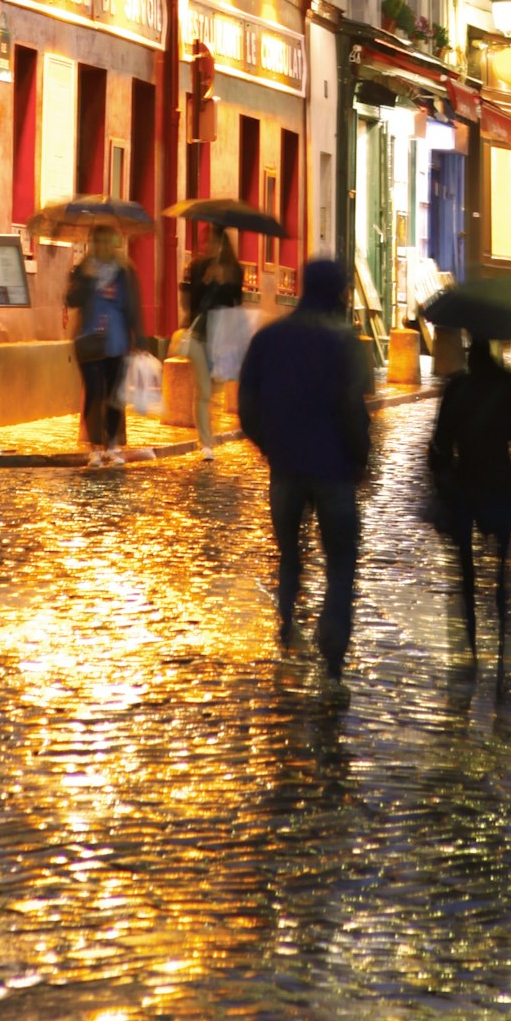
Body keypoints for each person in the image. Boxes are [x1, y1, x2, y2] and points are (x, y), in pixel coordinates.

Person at [238, 256, 373, 682]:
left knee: (290, 553)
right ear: (336, 293)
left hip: (287, 469)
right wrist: (360, 458)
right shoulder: (345, 342)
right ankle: (333, 646)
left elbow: (247, 406)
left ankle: (285, 621)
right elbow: (354, 409)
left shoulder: (270, 338)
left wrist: (271, 448)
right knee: (340, 559)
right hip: (333, 469)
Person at [427, 333, 511, 658]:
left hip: (465, 482)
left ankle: (469, 641)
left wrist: (441, 472)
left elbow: (441, 441)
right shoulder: (507, 383)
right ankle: (501, 632)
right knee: (501, 563)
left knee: (466, 569)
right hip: (499, 480)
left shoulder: (457, 387)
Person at [64, 221, 145, 468]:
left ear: (113, 244)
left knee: (113, 394)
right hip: (88, 339)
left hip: (117, 339)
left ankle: (112, 444)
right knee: (94, 391)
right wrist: (87, 280)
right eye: (95, 241)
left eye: (104, 241)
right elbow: (70, 299)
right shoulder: (83, 269)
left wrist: (139, 337)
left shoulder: (124, 271)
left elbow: (133, 306)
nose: (99, 246)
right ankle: (94, 447)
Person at [181, 222, 246, 457]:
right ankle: (206, 442)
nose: (207, 244)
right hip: (199, 334)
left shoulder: (234, 269)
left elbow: (237, 301)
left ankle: (208, 431)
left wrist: (226, 281)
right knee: (204, 390)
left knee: (215, 389)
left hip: (222, 337)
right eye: (205, 240)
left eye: (212, 240)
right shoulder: (197, 267)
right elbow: (189, 301)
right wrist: (206, 280)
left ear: (221, 243)